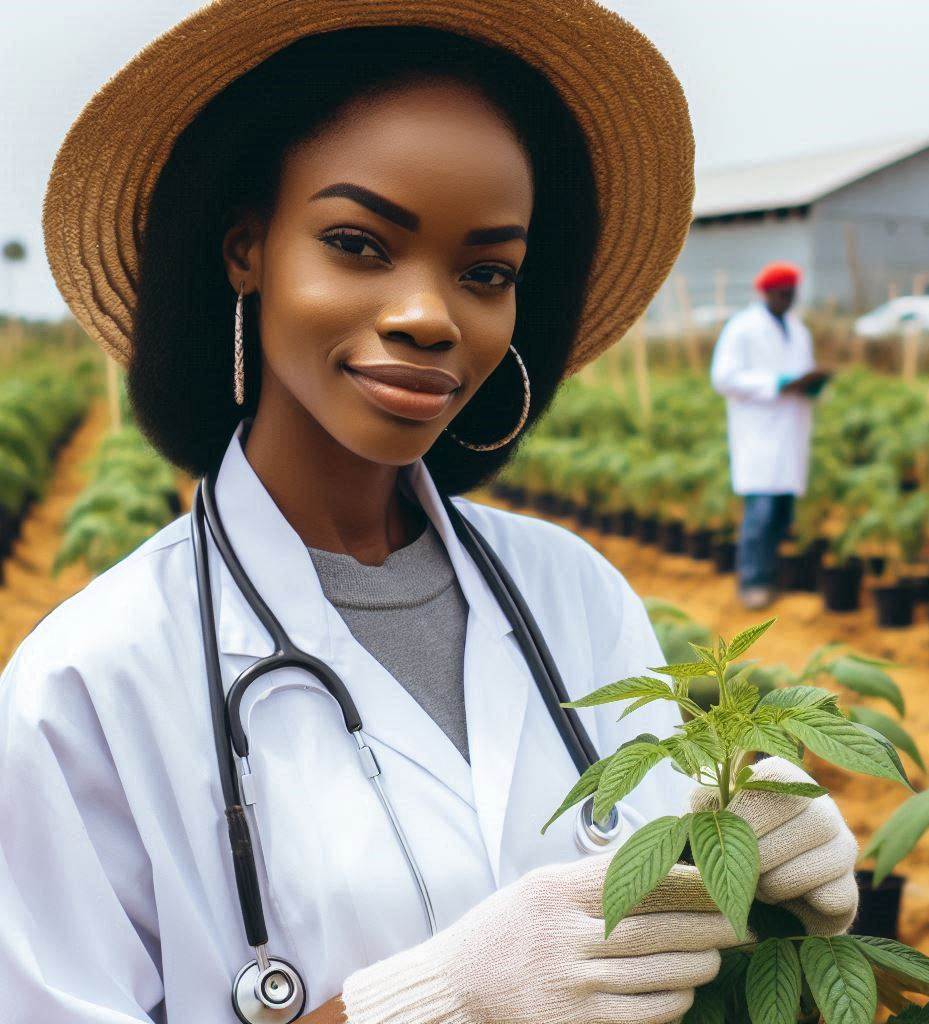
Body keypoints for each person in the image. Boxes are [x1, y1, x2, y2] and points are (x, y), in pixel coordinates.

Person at [1, 6, 857, 1023]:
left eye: (485, 271)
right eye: (359, 243)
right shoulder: (87, 686)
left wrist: (738, 857)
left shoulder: (574, 593)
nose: (430, 315)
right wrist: (435, 1000)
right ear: (246, 248)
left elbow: (652, 928)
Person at [710, 262, 830, 610]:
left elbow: (801, 373)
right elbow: (724, 377)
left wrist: (812, 385)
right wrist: (779, 384)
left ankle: (771, 576)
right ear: (766, 293)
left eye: (792, 293)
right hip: (758, 433)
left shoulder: (798, 329)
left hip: (789, 430)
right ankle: (752, 581)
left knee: (781, 514)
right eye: (782, 293)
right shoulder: (742, 328)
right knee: (760, 513)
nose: (788, 299)